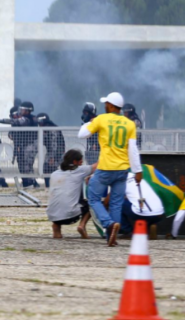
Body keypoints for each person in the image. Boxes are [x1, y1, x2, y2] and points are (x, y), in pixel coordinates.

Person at [78, 92, 142, 247]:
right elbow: (133, 150)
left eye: (106, 103)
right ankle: (111, 237)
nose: (104, 105)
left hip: (105, 168)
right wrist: (138, 171)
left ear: (112, 105)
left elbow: (82, 134)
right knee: (116, 203)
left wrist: (90, 122)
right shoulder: (129, 124)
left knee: (93, 198)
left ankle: (108, 224)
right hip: (122, 170)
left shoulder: (101, 119)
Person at [46, 150, 97, 239]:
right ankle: (82, 225)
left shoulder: (54, 174)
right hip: (70, 216)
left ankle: (56, 228)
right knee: (92, 203)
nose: (82, 164)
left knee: (61, 199)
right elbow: (98, 166)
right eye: (81, 162)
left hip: (52, 215)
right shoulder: (79, 170)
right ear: (75, 162)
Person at [0, 101, 39, 188]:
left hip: (29, 146)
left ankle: (30, 184)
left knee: (26, 166)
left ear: (28, 111)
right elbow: (12, 133)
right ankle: (29, 183)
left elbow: (14, 122)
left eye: (23, 110)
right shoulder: (24, 119)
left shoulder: (28, 119)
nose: (21, 111)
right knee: (22, 165)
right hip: (22, 146)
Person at [120, 172, 165, 239]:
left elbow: (109, 200)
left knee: (117, 203)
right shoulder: (140, 179)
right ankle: (150, 227)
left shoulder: (120, 181)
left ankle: (128, 231)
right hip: (159, 214)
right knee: (143, 208)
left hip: (141, 214)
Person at [37, 113, 65, 188]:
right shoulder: (47, 128)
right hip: (53, 153)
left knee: (49, 169)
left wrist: (53, 157)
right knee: (48, 169)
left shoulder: (52, 129)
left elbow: (54, 144)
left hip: (56, 153)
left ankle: (51, 187)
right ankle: (50, 187)